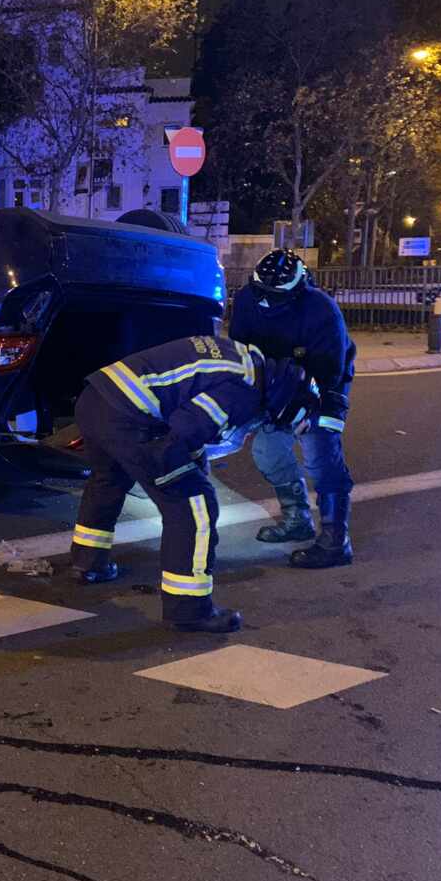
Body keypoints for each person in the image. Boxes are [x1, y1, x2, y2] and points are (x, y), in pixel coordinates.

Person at [70, 335, 312, 634]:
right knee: (193, 503)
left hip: (96, 399)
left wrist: (192, 458)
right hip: (129, 418)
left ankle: (88, 563)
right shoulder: (245, 391)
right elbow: (184, 431)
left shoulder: (242, 360)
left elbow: (185, 410)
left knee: (109, 480)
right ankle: (189, 609)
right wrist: (187, 469)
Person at [229, 249, 356, 569]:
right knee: (267, 451)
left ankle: (335, 541)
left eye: (276, 297)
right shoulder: (246, 300)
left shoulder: (321, 309)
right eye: (262, 294)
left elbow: (331, 369)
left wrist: (307, 411)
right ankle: (297, 518)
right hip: (274, 384)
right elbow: (241, 353)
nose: (267, 303)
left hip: (322, 385)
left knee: (321, 453)